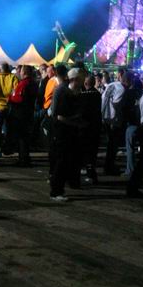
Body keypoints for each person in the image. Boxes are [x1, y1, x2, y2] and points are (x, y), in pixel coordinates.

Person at [49, 68, 83, 201]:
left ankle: (59, 189)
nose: (82, 82)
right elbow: (59, 116)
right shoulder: (64, 92)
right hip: (62, 132)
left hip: (66, 132)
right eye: (80, 80)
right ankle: (56, 191)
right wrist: (76, 123)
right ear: (74, 79)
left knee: (64, 161)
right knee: (61, 161)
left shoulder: (71, 92)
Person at [7, 65, 38, 166]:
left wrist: (11, 97)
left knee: (22, 138)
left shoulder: (24, 83)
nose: (19, 73)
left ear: (24, 73)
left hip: (21, 114)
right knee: (25, 137)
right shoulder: (33, 83)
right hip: (28, 112)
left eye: (20, 71)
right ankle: (24, 158)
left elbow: (18, 98)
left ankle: (23, 159)